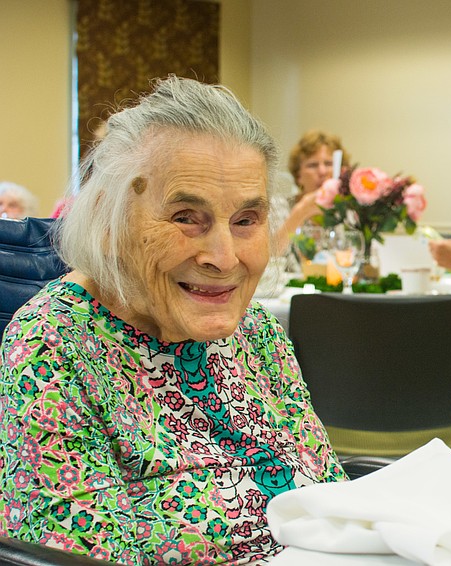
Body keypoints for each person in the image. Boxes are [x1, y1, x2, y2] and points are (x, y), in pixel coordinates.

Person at [0, 76, 346, 563]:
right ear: (109, 221)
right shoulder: (53, 344)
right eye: (187, 217)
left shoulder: (258, 331)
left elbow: (331, 492)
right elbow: (76, 551)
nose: (225, 258)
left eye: (246, 220)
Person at [274, 130, 350, 253]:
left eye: (329, 163)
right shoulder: (278, 206)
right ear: (298, 175)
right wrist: (300, 212)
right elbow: (272, 256)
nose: (322, 171)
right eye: (313, 165)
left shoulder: (349, 211)